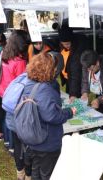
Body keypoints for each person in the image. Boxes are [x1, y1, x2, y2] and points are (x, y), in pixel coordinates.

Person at [22, 52, 76, 180]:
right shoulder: (45, 89)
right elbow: (51, 116)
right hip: (46, 140)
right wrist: (69, 112)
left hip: (34, 136)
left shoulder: (30, 82)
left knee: (37, 170)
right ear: (49, 69)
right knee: (48, 173)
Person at [0, 30, 29, 177]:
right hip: (17, 101)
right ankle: (24, 171)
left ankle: (10, 147)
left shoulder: (5, 55)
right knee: (22, 138)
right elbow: (24, 84)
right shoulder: (20, 62)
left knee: (8, 124)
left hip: (5, 95)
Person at [58, 21, 88, 102]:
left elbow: (75, 73)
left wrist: (73, 94)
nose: (66, 46)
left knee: (75, 99)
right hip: (68, 78)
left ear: (72, 41)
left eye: (67, 44)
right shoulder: (62, 46)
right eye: (63, 44)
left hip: (76, 80)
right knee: (70, 97)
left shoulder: (77, 52)